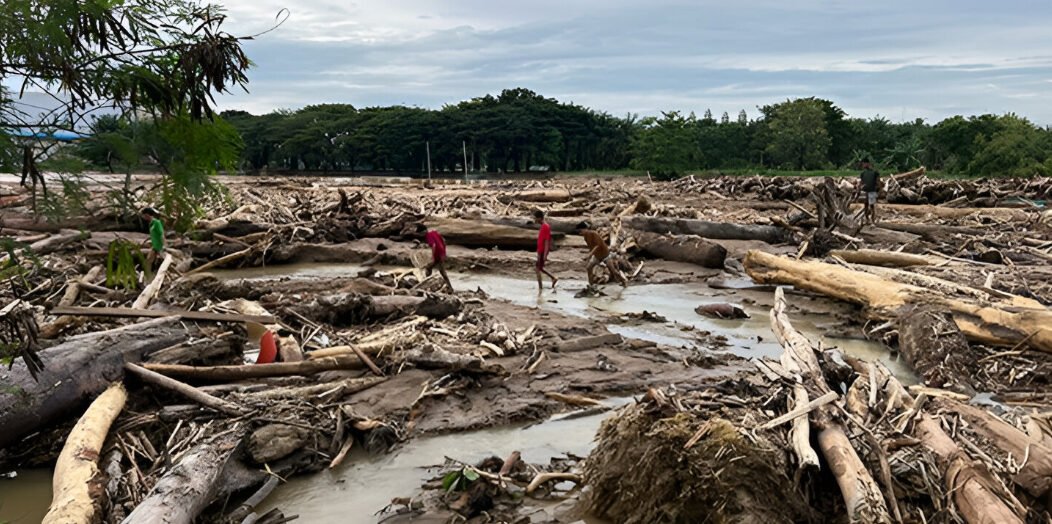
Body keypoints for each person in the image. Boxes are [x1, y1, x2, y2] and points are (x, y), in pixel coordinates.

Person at [576, 221, 627, 287]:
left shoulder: (594, 234)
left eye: (581, 231)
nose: (580, 233)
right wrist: (589, 254)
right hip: (596, 256)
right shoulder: (585, 237)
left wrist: (590, 254)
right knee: (589, 268)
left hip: (605, 255)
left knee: (613, 271)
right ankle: (591, 285)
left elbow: (598, 245)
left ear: (585, 229)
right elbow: (591, 246)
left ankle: (623, 281)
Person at [416, 223, 453, 292]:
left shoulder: (428, 236)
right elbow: (443, 241)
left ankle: (426, 285)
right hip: (441, 253)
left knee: (430, 269)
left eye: (420, 234)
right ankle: (450, 287)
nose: (421, 235)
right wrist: (444, 252)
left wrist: (432, 257)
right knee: (435, 270)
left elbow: (433, 245)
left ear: (423, 231)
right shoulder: (434, 232)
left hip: (437, 255)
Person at [533, 210, 558, 290]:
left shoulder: (546, 227)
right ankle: (553, 278)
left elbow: (547, 241)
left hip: (542, 251)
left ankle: (540, 288)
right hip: (540, 250)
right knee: (539, 268)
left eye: (535, 218)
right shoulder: (543, 226)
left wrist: (545, 255)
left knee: (537, 269)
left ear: (539, 218)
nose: (534, 220)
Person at [858, 159, 881, 224]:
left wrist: (879, 191)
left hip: (872, 191)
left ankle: (873, 220)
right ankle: (867, 219)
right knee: (865, 205)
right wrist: (858, 189)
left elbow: (878, 181)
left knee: (872, 206)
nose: (863, 165)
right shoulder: (863, 173)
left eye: (864, 164)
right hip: (865, 191)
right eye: (863, 164)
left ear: (868, 163)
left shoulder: (875, 172)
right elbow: (861, 182)